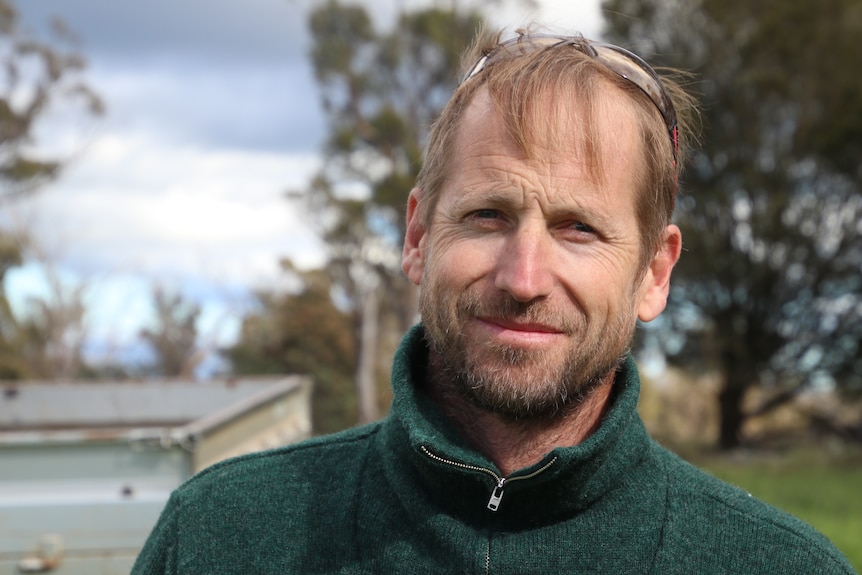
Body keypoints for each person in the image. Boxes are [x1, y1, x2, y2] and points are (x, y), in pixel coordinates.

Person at [132, 30, 856, 574]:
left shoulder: (779, 566)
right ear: (417, 234)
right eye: (488, 216)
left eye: (579, 228)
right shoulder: (219, 536)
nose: (523, 276)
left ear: (653, 274)